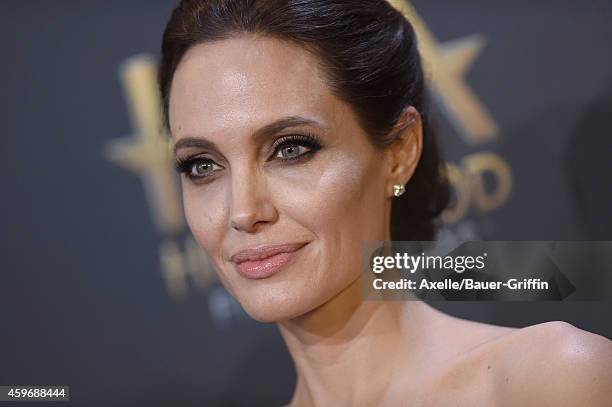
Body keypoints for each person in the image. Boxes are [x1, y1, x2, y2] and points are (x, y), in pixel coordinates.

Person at [158, 0, 612, 405]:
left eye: (290, 149)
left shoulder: (551, 382)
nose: (242, 211)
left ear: (399, 152)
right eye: (202, 165)